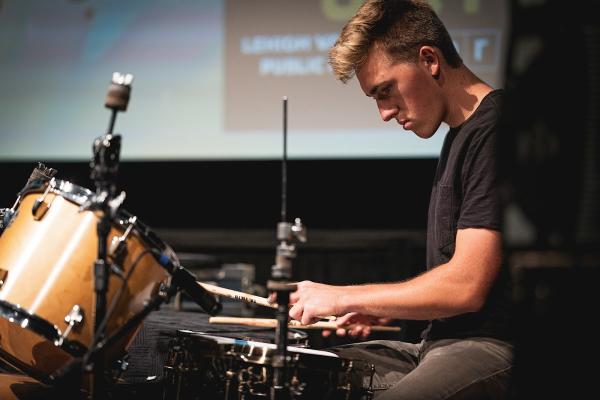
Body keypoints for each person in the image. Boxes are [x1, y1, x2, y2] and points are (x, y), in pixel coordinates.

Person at [287, 1, 513, 399]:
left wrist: (342, 296)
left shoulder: (495, 132)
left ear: (429, 60)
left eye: (386, 90)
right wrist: (381, 306)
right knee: (302, 375)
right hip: (437, 344)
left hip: (491, 347)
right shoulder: (458, 136)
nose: (385, 113)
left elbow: (467, 286)